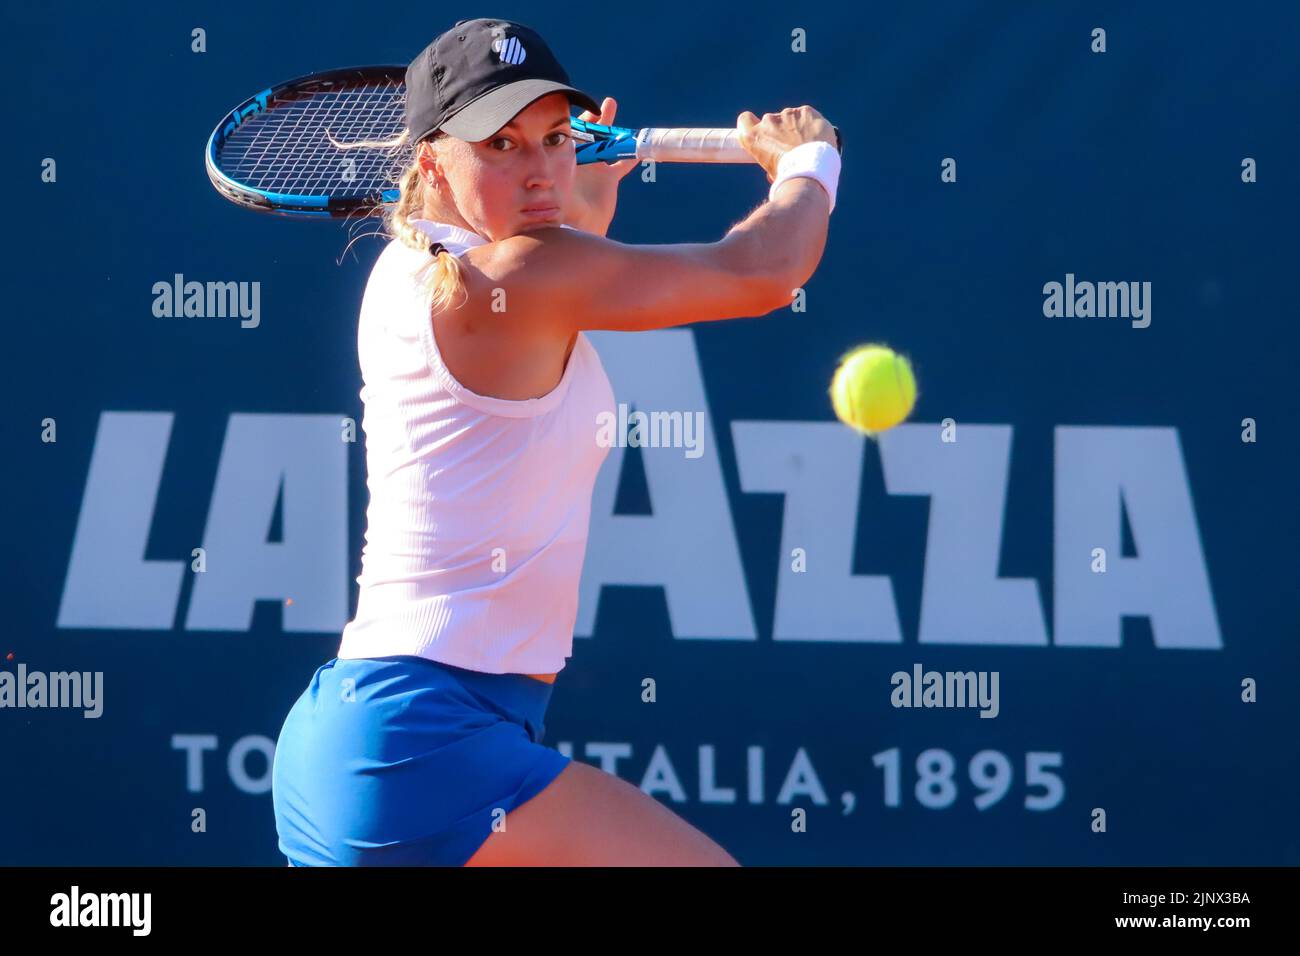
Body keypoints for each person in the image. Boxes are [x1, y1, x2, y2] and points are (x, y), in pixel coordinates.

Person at [271, 16, 840, 867]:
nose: (537, 168)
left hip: (359, 742)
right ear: (432, 161)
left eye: (553, 138)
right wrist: (809, 163)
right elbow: (761, 272)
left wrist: (578, 221)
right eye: (500, 145)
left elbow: (528, 344)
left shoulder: (415, 268)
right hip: (426, 742)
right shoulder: (515, 275)